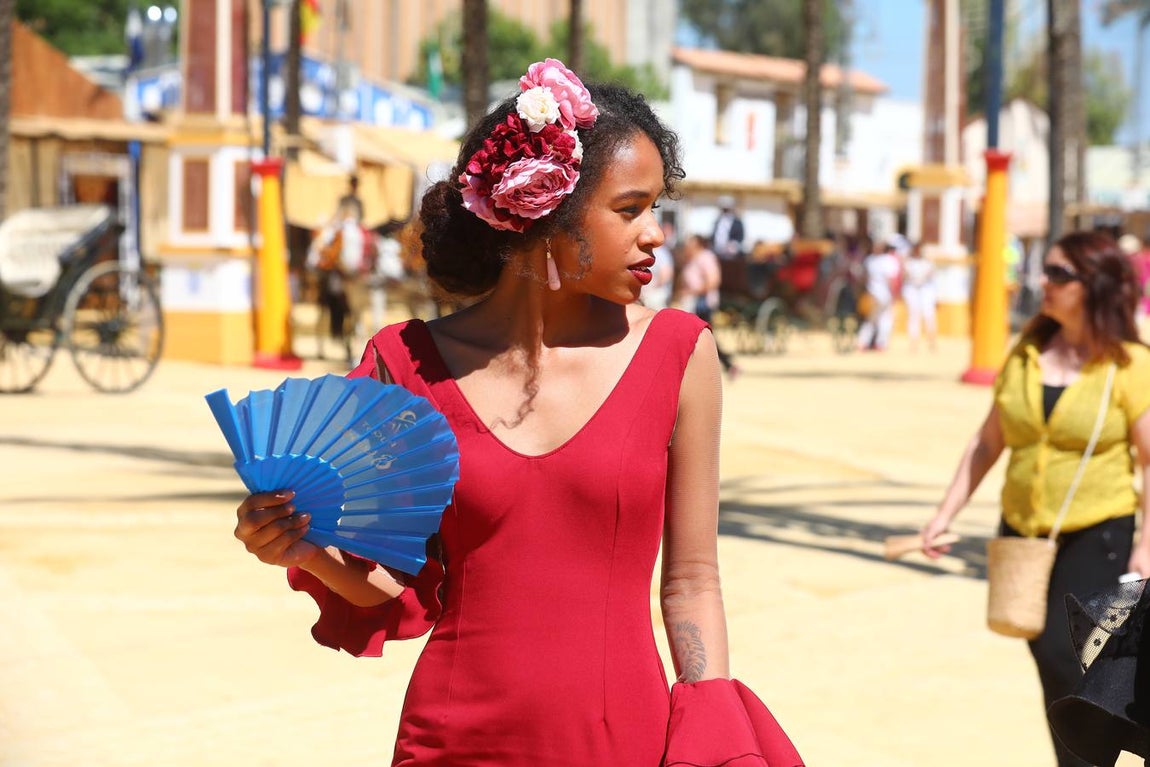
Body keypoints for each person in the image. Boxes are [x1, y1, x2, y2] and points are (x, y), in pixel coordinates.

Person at [232, 59, 800, 766]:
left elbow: (691, 582)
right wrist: (300, 546)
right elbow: (385, 584)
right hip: (450, 742)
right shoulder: (405, 363)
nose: (656, 234)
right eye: (631, 209)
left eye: (658, 208)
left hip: (623, 738)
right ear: (548, 207)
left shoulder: (681, 355)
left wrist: (714, 727)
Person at [920, 230, 1150, 767]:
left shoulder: (1129, 365)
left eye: (1059, 274)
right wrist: (943, 514)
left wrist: (1145, 545)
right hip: (1021, 533)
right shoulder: (1026, 351)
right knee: (1046, 655)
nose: (1043, 282)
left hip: (1100, 531)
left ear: (1095, 285)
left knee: (1069, 656)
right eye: (1044, 271)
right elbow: (986, 442)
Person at [679, 233, 740, 379]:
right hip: (693, 302)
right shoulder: (692, 259)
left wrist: (694, 291)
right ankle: (726, 364)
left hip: (702, 303)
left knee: (705, 338)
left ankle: (727, 364)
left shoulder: (705, 257)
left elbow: (713, 280)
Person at [856, 237, 901, 351]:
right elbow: (890, 279)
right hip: (880, 294)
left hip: (876, 294)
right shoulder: (886, 261)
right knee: (881, 319)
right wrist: (894, 293)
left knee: (876, 319)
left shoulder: (871, 260)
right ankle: (875, 343)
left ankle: (868, 342)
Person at [901, 241, 937, 351]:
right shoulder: (908, 263)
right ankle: (913, 342)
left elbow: (931, 278)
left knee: (928, 315)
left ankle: (931, 341)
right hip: (912, 289)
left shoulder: (927, 263)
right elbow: (905, 277)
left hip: (925, 290)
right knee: (913, 315)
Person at [711, 194, 745, 261]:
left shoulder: (737, 222)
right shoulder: (718, 221)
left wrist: (733, 245)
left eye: (727, 209)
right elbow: (713, 236)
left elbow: (740, 237)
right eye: (724, 209)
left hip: (732, 254)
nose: (725, 211)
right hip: (717, 252)